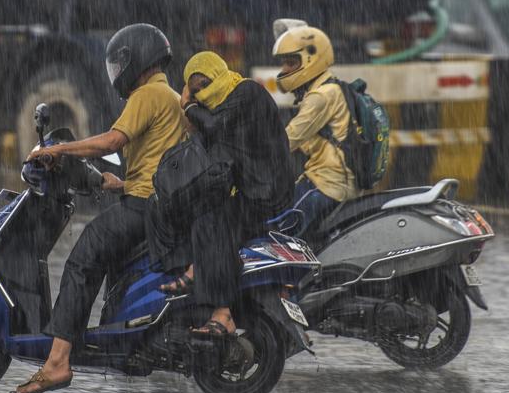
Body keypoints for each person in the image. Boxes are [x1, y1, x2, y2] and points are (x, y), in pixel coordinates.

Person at [11, 23, 185, 393]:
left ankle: (57, 362)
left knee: (83, 259)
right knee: (102, 256)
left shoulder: (148, 95)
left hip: (144, 208)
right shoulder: (169, 97)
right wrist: (113, 182)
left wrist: (57, 150)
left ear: (136, 58)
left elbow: (111, 140)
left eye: (121, 62)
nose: (117, 71)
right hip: (154, 201)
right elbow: (159, 165)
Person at [148, 51, 293, 336]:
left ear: (218, 74)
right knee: (204, 210)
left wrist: (188, 105)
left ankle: (222, 312)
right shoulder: (228, 104)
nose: (202, 92)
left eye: (204, 84)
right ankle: (195, 269)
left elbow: (213, 126)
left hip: (266, 193)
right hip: (257, 189)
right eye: (195, 87)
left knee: (212, 224)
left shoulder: (246, 91)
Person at [273, 25, 359, 234]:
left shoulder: (321, 96)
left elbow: (287, 140)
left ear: (312, 59)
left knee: (278, 236)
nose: (284, 70)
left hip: (326, 184)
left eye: (291, 63)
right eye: (284, 63)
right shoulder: (329, 87)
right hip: (332, 181)